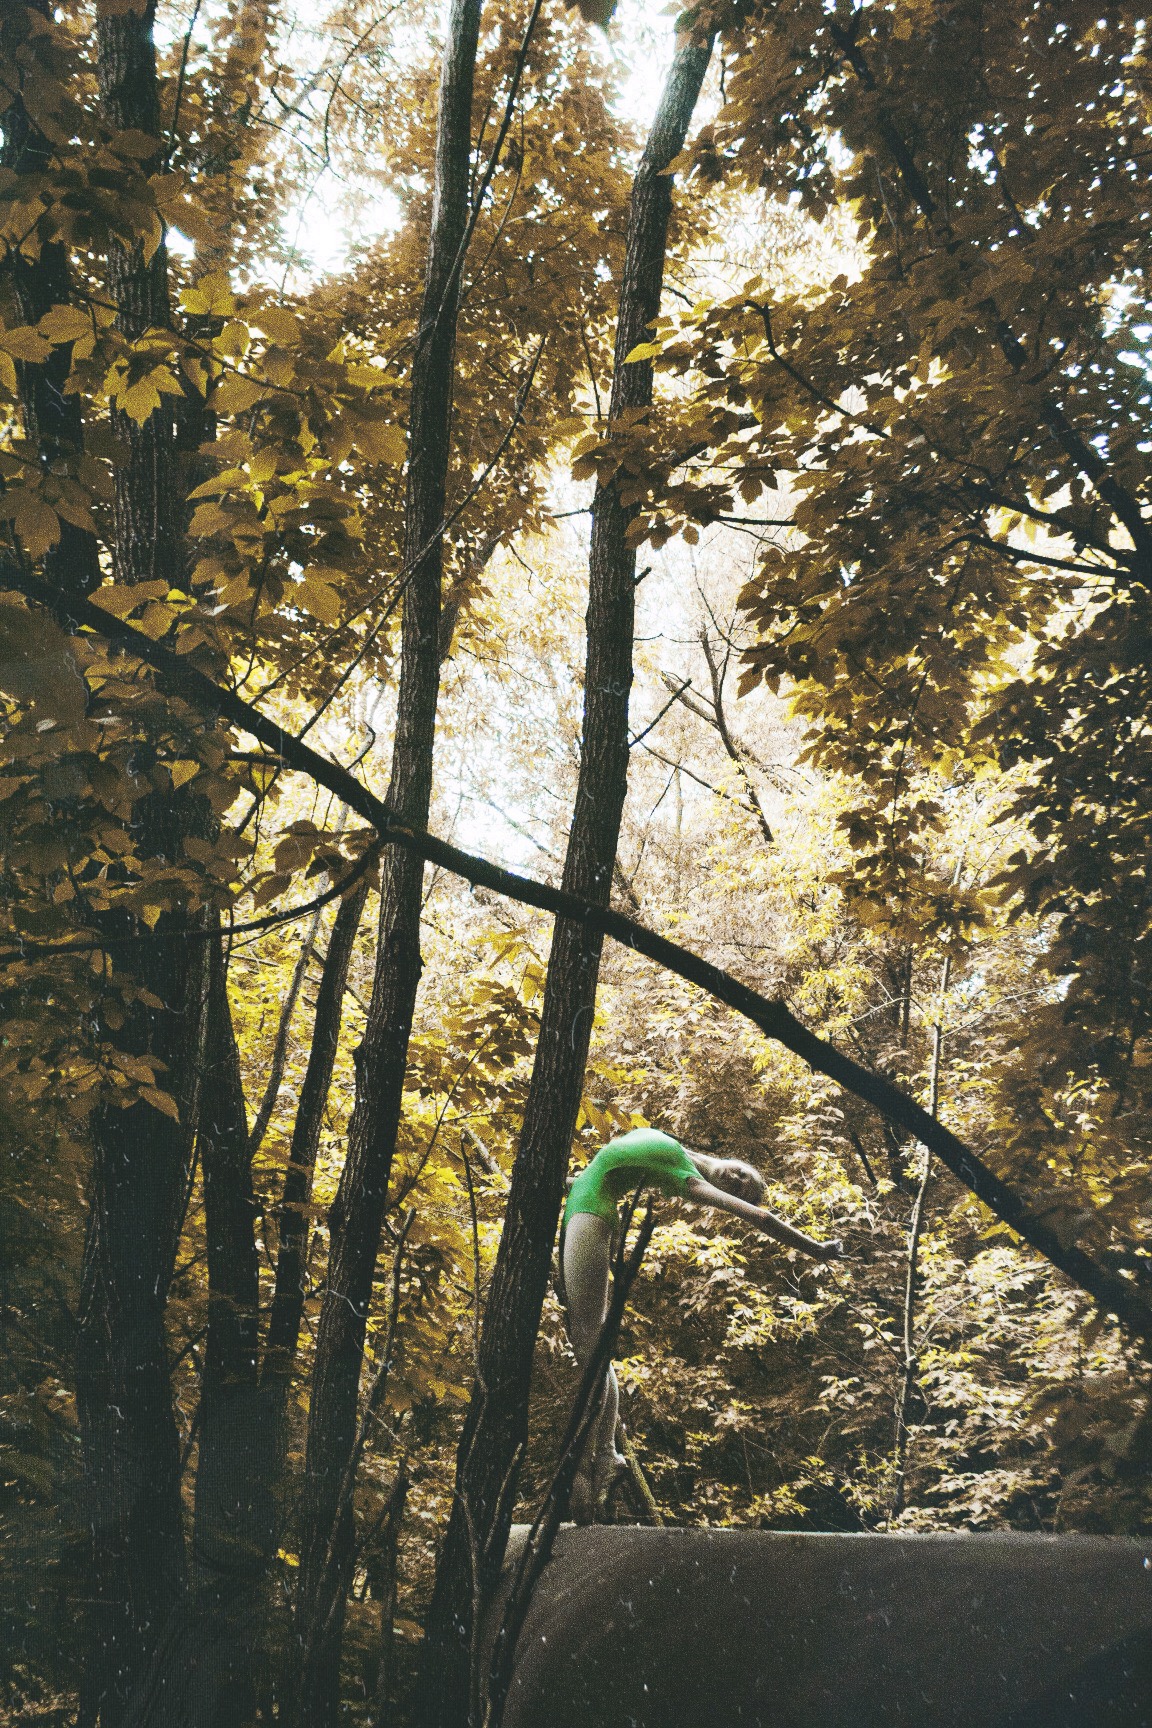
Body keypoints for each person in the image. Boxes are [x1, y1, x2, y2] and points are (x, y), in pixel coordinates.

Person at [560, 1125, 843, 1524]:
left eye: (742, 1188)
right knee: (591, 1345)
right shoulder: (679, 1152)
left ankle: (596, 1460)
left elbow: (760, 1217)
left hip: (591, 1216)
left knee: (589, 1344)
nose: (739, 1180)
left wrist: (815, 1249)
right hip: (582, 1203)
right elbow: (609, 1166)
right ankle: (605, 1454)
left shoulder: (685, 1176)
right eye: (746, 1173)